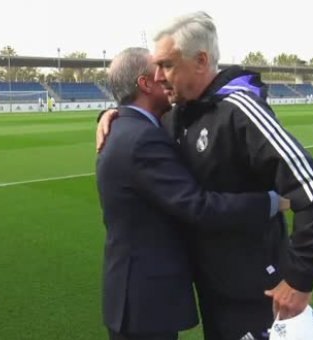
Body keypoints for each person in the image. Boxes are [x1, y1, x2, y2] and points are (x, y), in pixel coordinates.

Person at [98, 12, 313, 340]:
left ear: (200, 61)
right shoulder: (177, 116)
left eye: (167, 65)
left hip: (257, 292)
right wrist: (111, 114)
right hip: (214, 291)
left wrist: (300, 279)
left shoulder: (241, 110)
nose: (159, 76)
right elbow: (139, 125)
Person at [97, 47, 290, 340]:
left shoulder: (127, 127)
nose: (166, 76)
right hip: (145, 301)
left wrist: (108, 114)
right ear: (145, 84)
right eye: (159, 70)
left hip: (135, 296)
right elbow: (198, 206)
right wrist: (272, 201)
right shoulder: (141, 137)